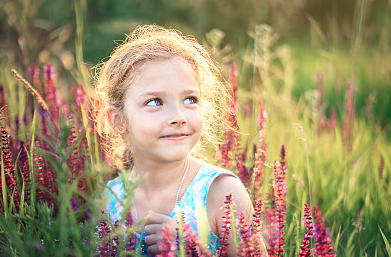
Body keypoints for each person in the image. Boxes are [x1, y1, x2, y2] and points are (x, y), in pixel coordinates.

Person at [95, 25, 252, 256]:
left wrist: (189, 249)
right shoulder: (110, 198)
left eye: (190, 99)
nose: (178, 117)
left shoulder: (222, 193)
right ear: (118, 120)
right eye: (155, 102)